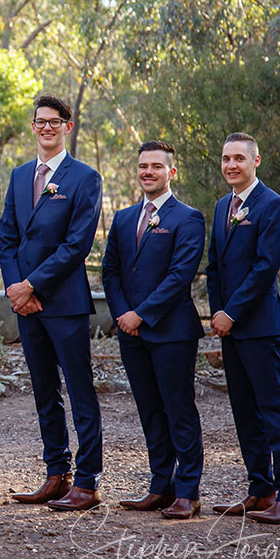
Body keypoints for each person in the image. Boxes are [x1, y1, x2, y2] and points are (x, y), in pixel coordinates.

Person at [0, 94, 103, 511]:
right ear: (33, 126)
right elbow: (7, 237)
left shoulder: (85, 177)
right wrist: (14, 288)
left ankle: (88, 480)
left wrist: (33, 286)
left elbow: (77, 245)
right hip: (26, 305)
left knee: (79, 391)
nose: (46, 127)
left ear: (67, 127)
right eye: (40, 121)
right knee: (43, 391)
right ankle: (55, 474)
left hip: (64, 303)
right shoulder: (20, 175)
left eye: (54, 122)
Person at [206, 132, 280, 524]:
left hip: (259, 325)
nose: (231, 165)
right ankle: (261, 490)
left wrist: (232, 312)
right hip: (229, 327)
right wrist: (218, 316)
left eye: (239, 159)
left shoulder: (272, 205)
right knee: (244, 411)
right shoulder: (220, 207)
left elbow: (265, 268)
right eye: (226, 158)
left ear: (256, 162)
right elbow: (215, 266)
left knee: (271, 410)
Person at [101, 141, 205, 520]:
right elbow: (109, 271)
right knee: (149, 411)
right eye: (143, 166)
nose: (148, 172)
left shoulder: (188, 218)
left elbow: (181, 276)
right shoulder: (125, 218)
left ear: (171, 172)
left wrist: (141, 314)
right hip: (131, 333)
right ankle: (160, 486)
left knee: (178, 410)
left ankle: (188, 490)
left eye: (156, 167)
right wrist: (122, 315)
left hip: (172, 331)